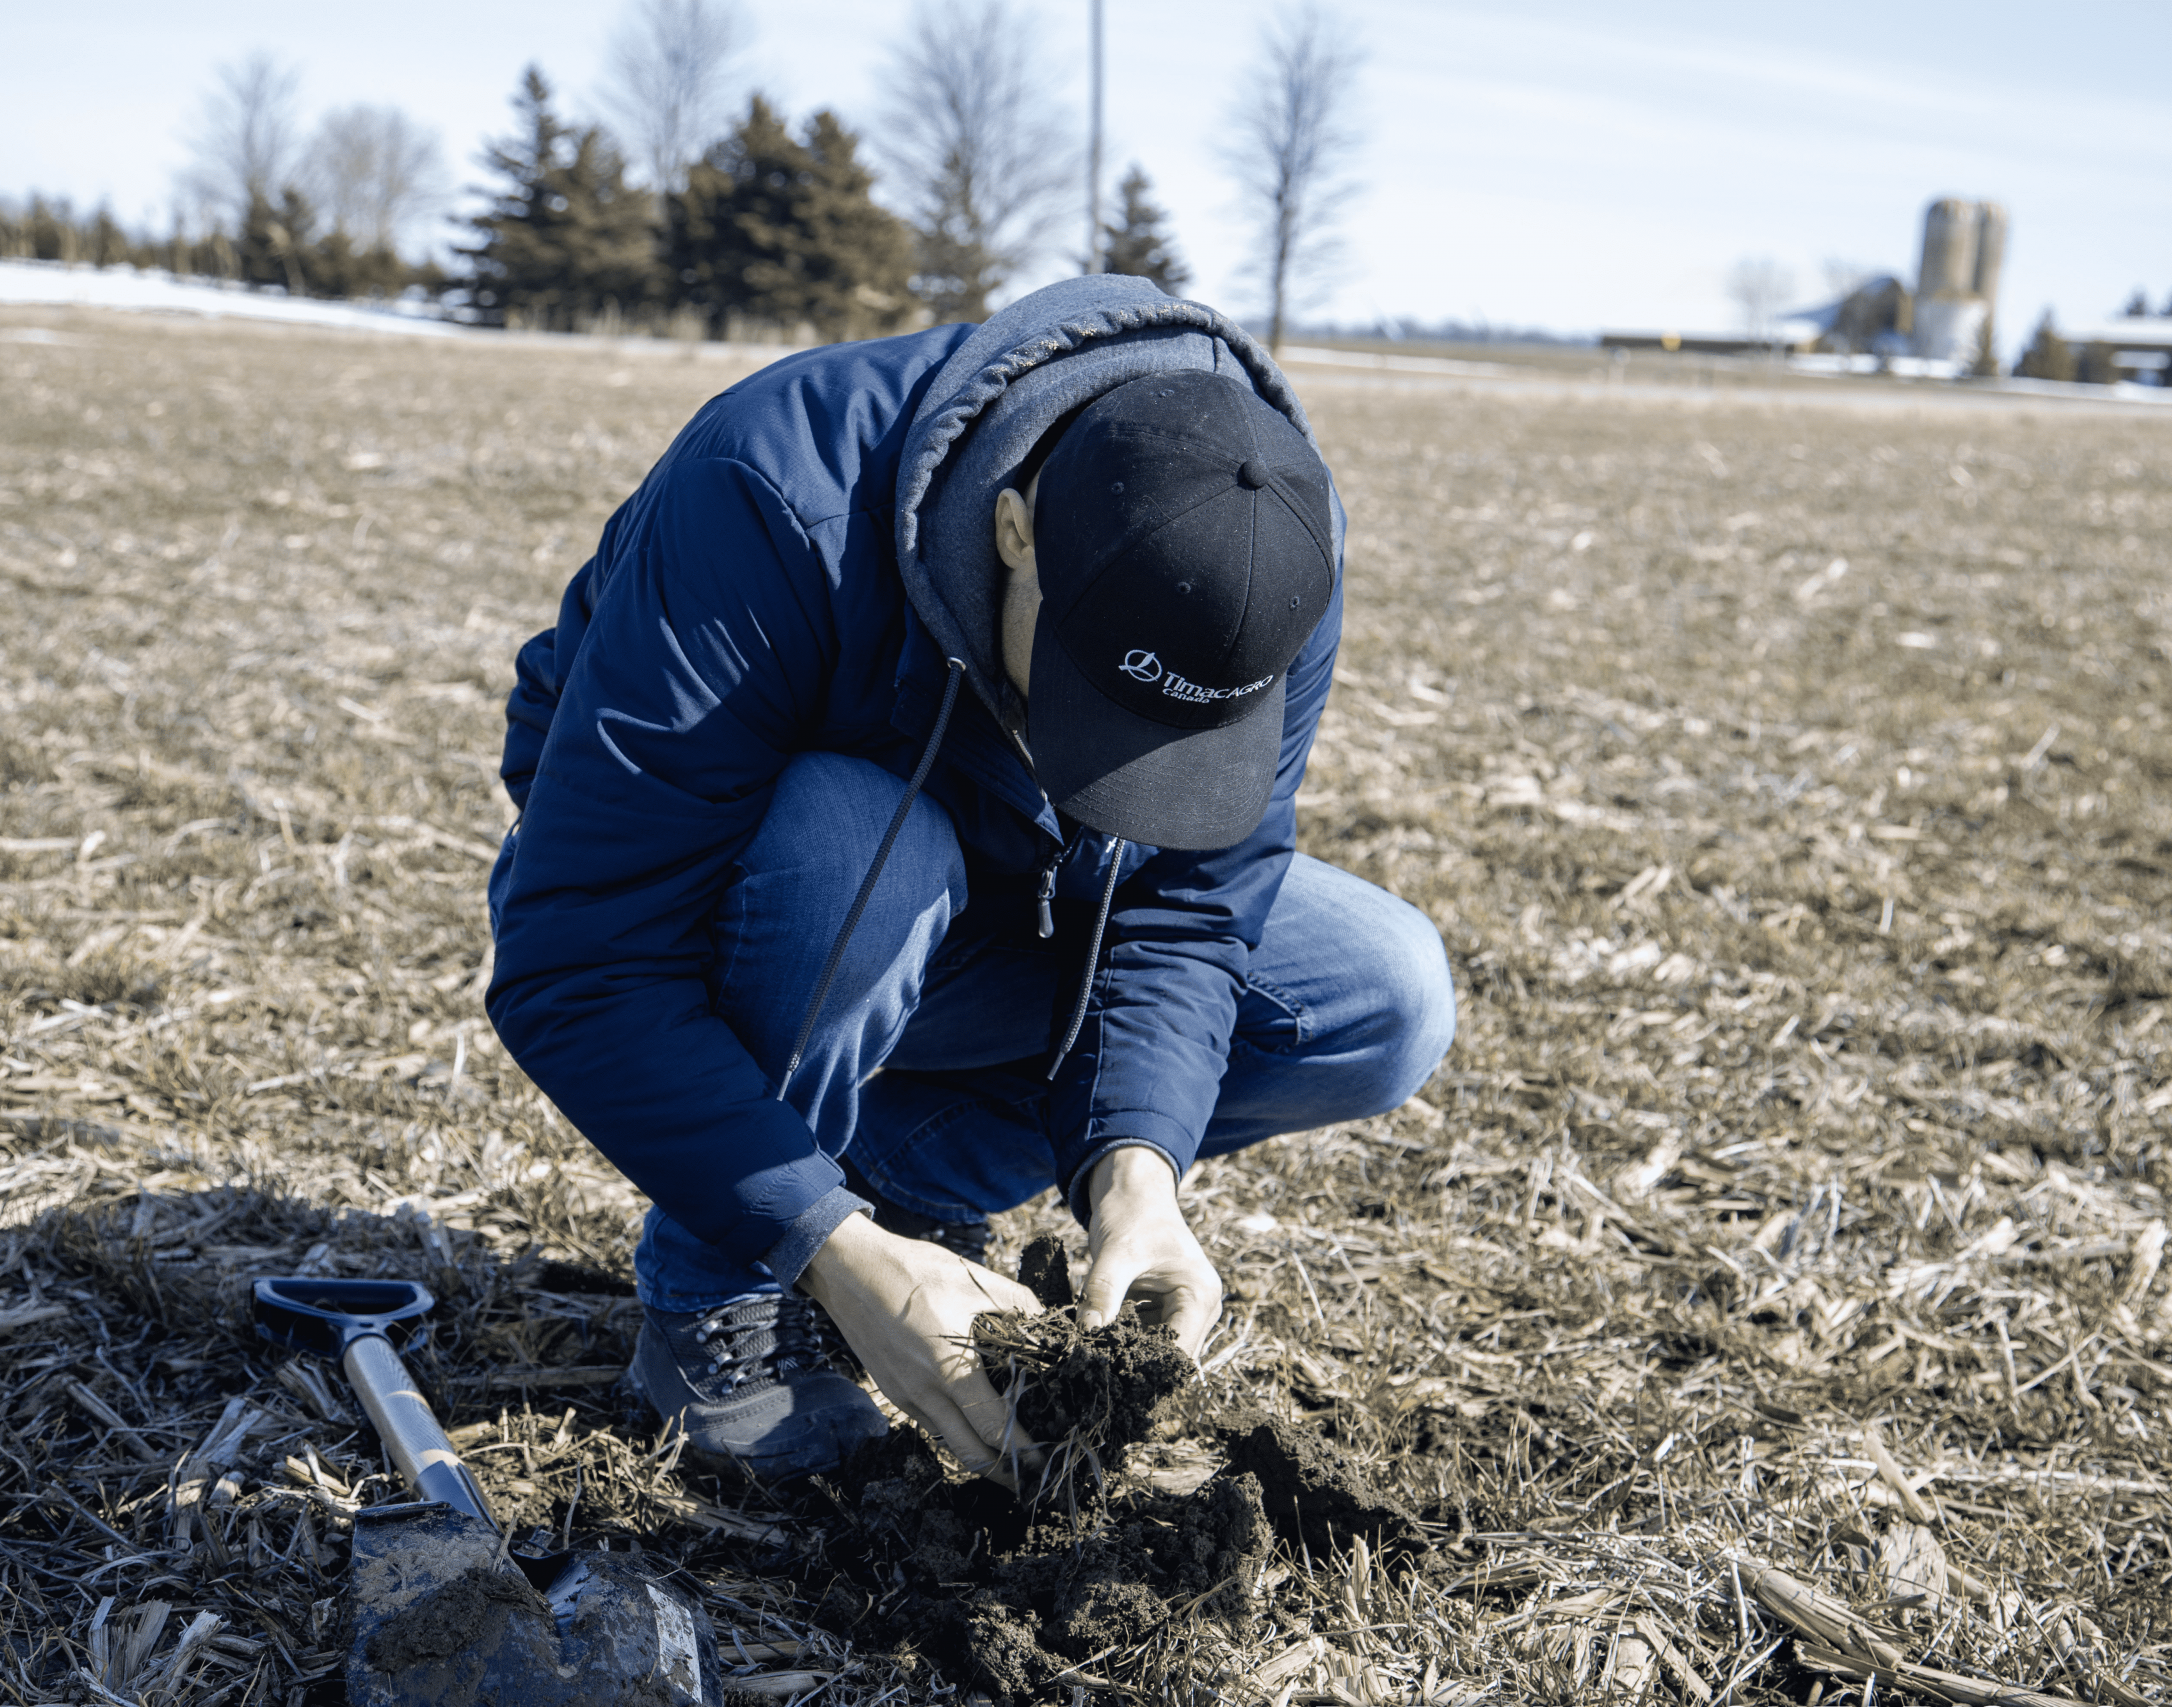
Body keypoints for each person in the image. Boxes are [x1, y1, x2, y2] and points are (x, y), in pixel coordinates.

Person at [487, 275, 1454, 1483]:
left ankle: (909, 1185)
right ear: (1013, 530)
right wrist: (822, 1241)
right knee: (855, 845)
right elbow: (580, 956)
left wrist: (1136, 1175)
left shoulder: (1269, 555)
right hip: (757, 898)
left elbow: (1189, 910)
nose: (1096, 761)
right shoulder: (773, 495)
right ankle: (722, 1291)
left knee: (1382, 988)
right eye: (1089, 704)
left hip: (1007, 900)